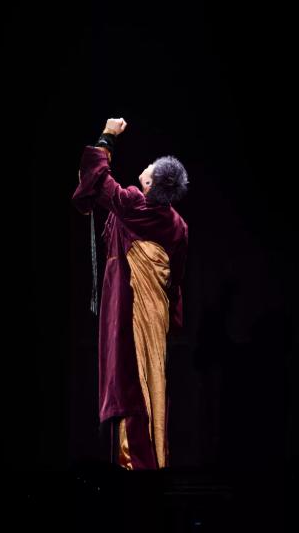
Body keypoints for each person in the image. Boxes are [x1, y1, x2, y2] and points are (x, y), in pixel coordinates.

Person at [71, 117, 189, 470]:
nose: (146, 166)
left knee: (130, 378)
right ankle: (151, 460)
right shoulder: (178, 225)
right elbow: (175, 280)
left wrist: (107, 137)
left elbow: (100, 182)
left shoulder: (137, 205)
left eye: (151, 167)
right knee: (151, 381)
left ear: (151, 183)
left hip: (133, 308)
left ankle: (135, 465)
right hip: (156, 314)